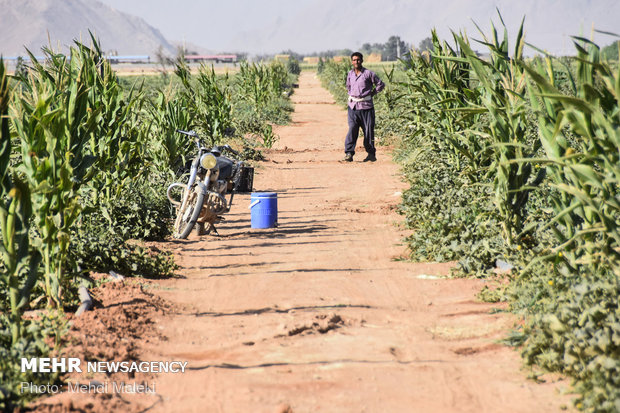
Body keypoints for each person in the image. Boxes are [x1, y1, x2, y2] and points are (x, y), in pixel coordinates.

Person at [343, 52, 385, 162]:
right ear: (351, 61)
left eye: (358, 60)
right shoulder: (350, 74)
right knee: (352, 129)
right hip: (353, 107)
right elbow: (348, 86)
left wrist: (372, 93)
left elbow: (381, 84)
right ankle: (349, 153)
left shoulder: (368, 74)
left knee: (368, 132)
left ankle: (371, 154)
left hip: (366, 108)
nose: (356, 62)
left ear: (362, 60)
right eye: (354, 60)